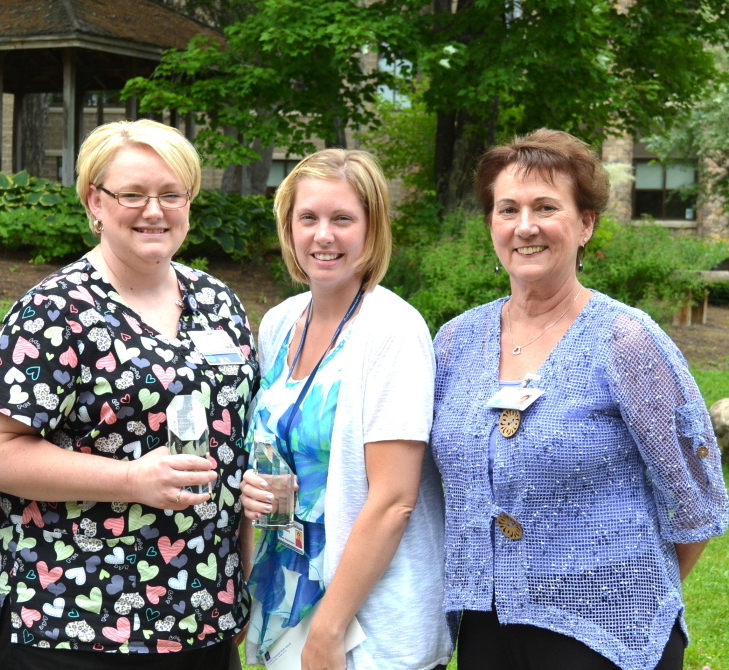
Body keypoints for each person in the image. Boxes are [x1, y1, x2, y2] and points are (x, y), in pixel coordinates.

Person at [430, 128, 729, 670]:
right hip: (485, 631)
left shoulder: (625, 339)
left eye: (546, 207)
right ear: (491, 225)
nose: (526, 226)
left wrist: (622, 590)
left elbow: (697, 498)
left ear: (586, 224)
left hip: (610, 636)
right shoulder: (455, 341)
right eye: (508, 209)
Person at [0, 119, 258, 668]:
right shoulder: (56, 310)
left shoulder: (219, 303)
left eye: (172, 193)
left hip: (201, 616)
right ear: (94, 201)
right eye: (133, 194)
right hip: (69, 620)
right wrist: (130, 479)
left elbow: (236, 443)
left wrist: (238, 579)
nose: (155, 210)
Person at [239, 149, 452, 669]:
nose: (323, 235)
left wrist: (329, 630)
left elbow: (394, 499)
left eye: (342, 219)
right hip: (286, 600)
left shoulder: (392, 330)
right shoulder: (282, 322)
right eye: (308, 218)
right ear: (288, 227)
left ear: (372, 229)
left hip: (366, 622)